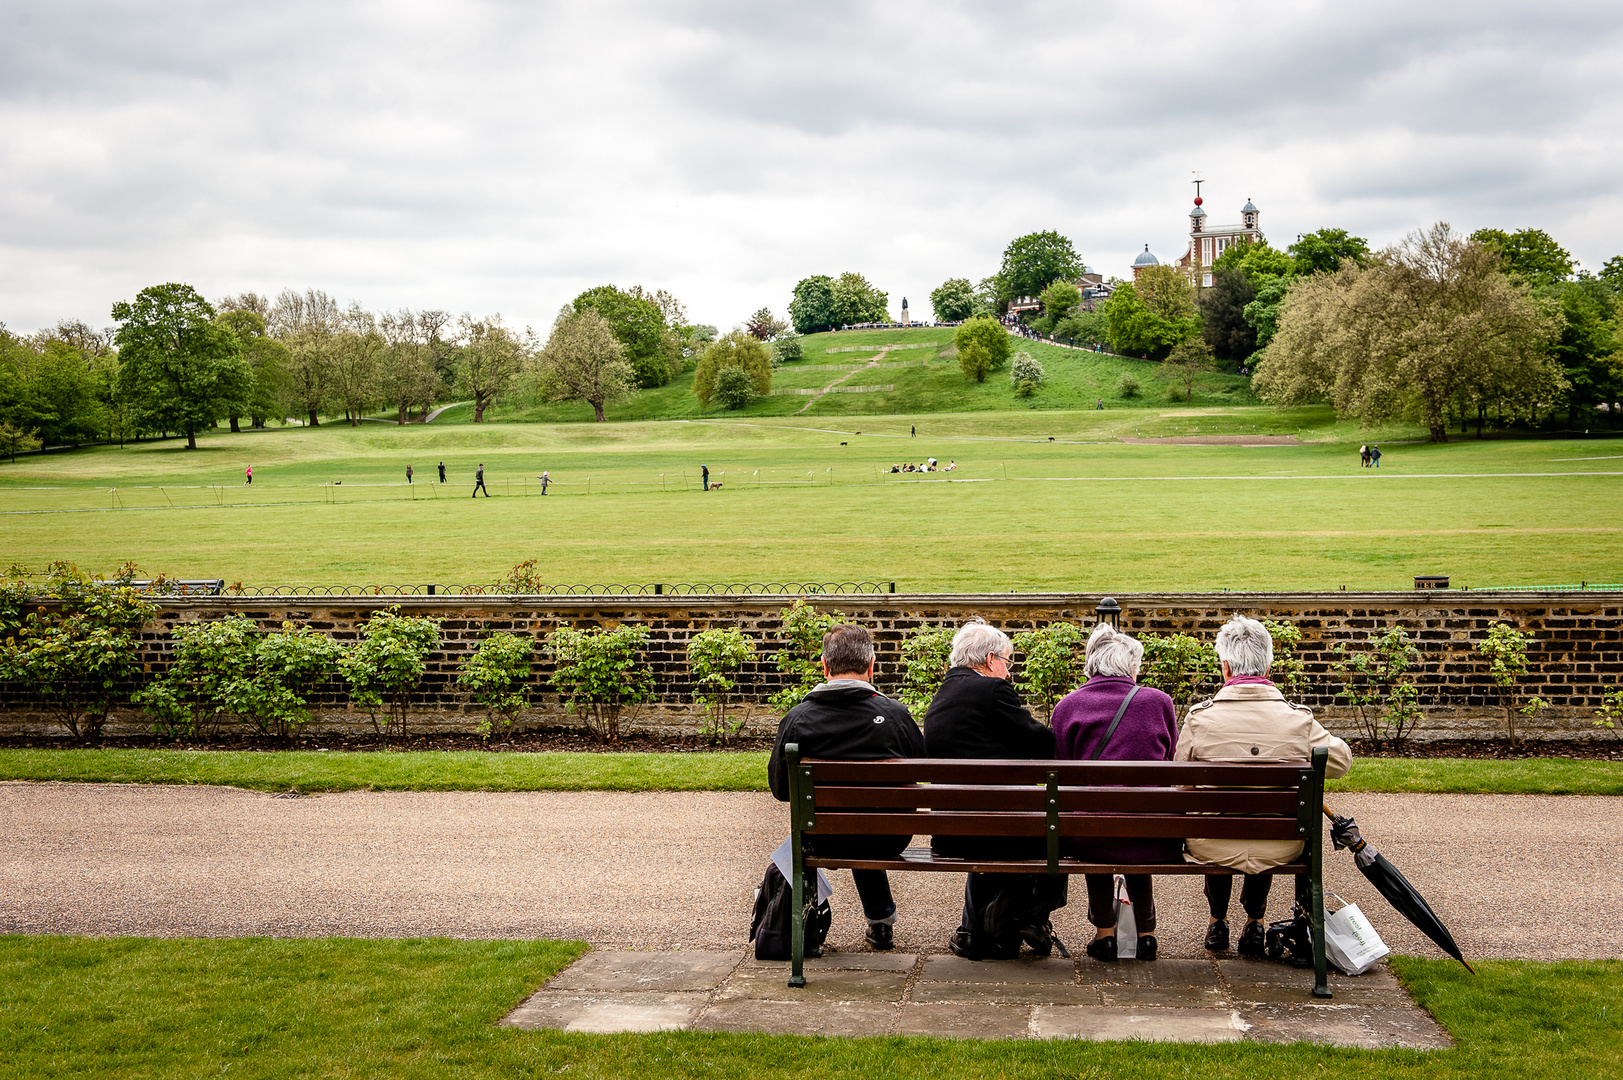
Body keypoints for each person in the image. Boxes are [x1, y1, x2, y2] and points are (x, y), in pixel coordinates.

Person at [1178, 615, 1352, 957]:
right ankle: (1255, 921)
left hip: (1212, 844)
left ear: (1225, 667)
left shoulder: (1201, 718)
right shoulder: (1297, 720)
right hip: (1280, 845)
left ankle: (1217, 919)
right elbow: (1341, 762)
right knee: (1266, 816)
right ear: (1268, 667)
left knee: (1216, 816)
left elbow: (1180, 779)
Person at [769, 623, 923, 950]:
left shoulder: (798, 719)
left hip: (823, 836)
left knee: (836, 826)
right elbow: (921, 766)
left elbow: (781, 789)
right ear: (871, 665)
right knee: (865, 823)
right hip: (888, 835)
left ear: (824, 666)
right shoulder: (895, 715)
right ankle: (881, 923)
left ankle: (810, 928)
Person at [924, 618, 1066, 959]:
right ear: (990, 660)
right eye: (1007, 661)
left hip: (950, 830)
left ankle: (975, 931)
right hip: (997, 827)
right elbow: (1042, 744)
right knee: (1058, 828)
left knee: (994, 823)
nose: (1008, 671)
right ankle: (1034, 913)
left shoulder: (944, 693)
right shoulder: (992, 690)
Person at [1050, 623, 1178, 962]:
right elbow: (1170, 759)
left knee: (1095, 821)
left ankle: (1105, 934)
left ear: (1092, 664)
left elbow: (1062, 774)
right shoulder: (1159, 702)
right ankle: (1146, 934)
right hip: (1154, 835)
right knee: (1137, 819)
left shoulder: (1067, 707)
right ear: (1132, 666)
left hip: (1091, 836)